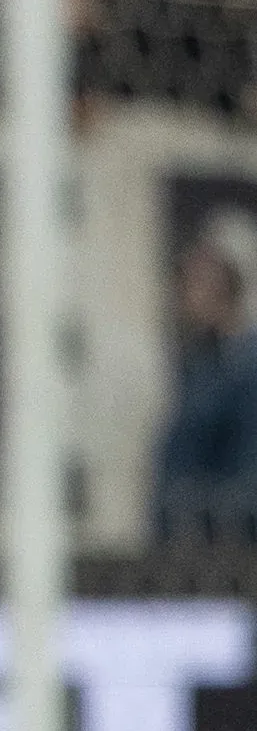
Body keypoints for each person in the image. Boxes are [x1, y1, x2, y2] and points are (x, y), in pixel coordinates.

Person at [155, 225, 257, 543]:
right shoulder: (196, 363)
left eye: (198, 282)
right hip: (186, 534)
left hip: (231, 542)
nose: (186, 294)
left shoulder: (246, 364)